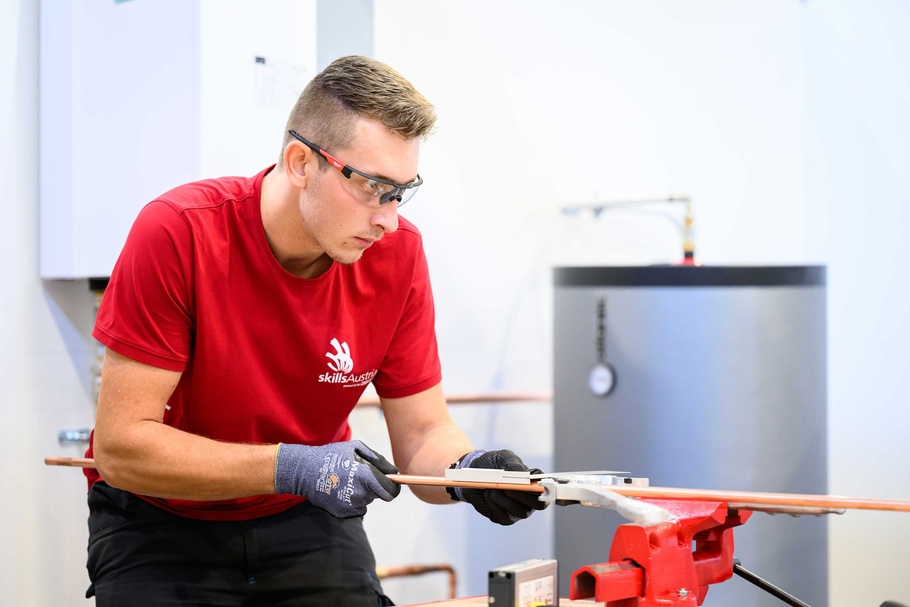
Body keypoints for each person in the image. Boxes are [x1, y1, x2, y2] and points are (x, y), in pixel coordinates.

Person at [84, 55, 547, 606]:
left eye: (402, 192)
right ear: (301, 162)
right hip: (162, 516)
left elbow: (422, 433)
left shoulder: (396, 256)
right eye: (373, 187)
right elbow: (122, 447)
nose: (388, 219)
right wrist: (295, 465)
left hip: (305, 514)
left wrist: (467, 474)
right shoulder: (179, 232)